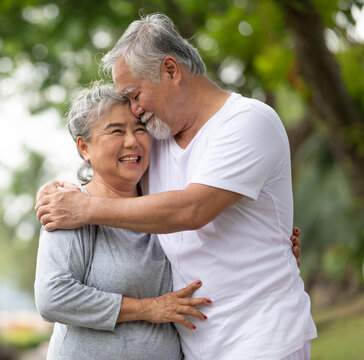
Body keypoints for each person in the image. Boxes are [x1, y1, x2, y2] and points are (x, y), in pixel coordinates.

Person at [36, 13, 316, 360]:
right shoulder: (159, 138)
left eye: (136, 94)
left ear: (171, 70)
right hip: (197, 347)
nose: (135, 111)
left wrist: (84, 209)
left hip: (261, 337)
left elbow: (192, 209)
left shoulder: (248, 122)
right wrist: (56, 193)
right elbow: (117, 183)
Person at [34, 83, 212, 360]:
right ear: (84, 147)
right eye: (117, 131)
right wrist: (147, 308)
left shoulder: (165, 206)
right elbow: (52, 297)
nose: (132, 141)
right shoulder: (69, 208)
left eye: (140, 129)